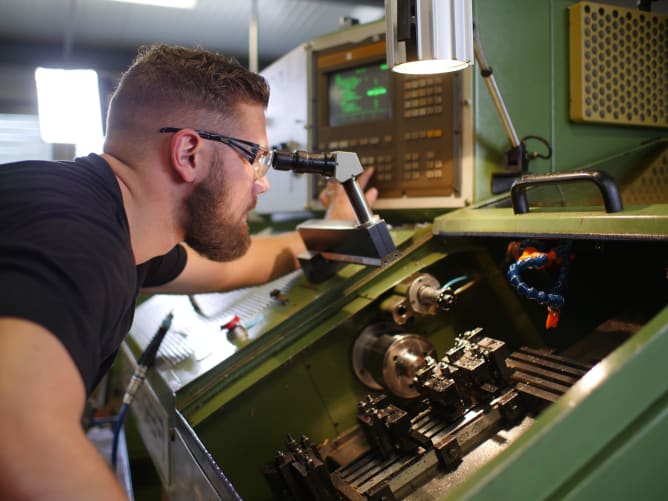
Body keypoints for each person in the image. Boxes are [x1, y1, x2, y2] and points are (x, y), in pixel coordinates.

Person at [0, 44, 377, 500]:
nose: (262, 182)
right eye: (255, 159)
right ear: (189, 153)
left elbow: (236, 265)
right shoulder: (78, 242)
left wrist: (334, 226)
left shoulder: (122, 228)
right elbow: (18, 434)